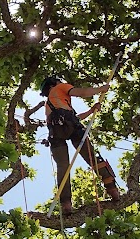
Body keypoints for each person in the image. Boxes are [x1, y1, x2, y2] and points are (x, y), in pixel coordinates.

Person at [40, 75, 121, 216]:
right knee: (92, 157)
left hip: (55, 131)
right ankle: (111, 188)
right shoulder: (60, 88)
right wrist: (101, 89)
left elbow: (72, 118)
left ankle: (66, 203)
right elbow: (82, 93)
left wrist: (91, 111)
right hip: (70, 125)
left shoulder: (51, 103)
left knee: (62, 166)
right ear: (54, 84)